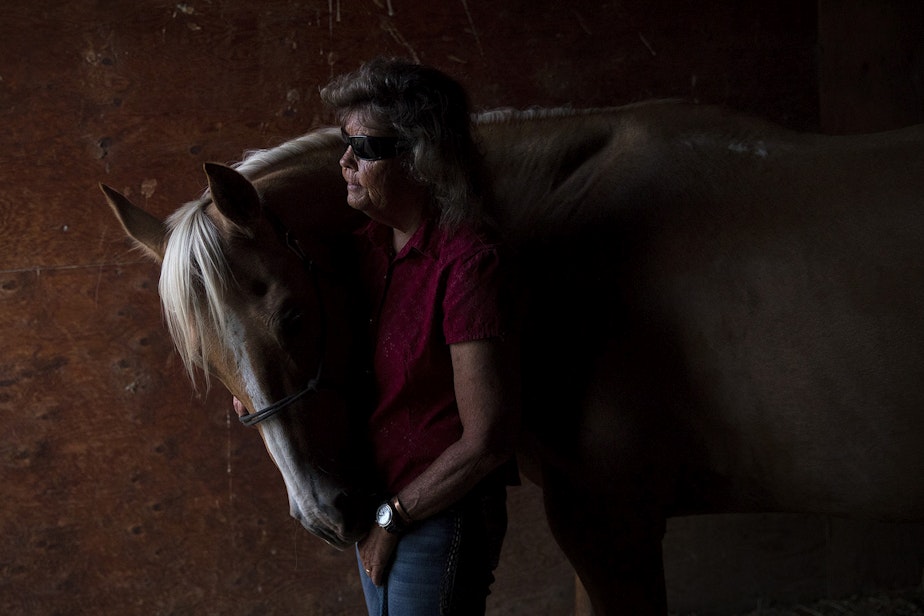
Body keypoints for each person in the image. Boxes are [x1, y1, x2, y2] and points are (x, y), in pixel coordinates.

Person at [320, 57, 519, 615]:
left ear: (421, 155)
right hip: (378, 506)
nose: (345, 162)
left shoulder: (469, 261)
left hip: (438, 512)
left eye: (366, 148)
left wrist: (394, 519)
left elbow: (488, 441)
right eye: (344, 142)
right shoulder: (366, 250)